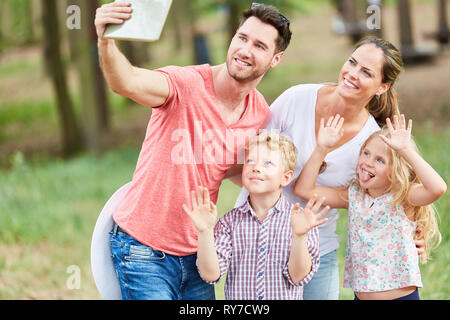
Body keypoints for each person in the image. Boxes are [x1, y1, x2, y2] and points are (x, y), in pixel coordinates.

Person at [95, 1, 292, 300]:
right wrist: (106, 41)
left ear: (275, 59)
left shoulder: (259, 115)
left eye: (259, 46)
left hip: (198, 254)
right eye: (242, 38)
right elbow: (127, 81)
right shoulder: (184, 84)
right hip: (144, 250)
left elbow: (238, 171)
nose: (245, 50)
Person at [233, 36, 425, 299]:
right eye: (352, 63)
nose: (352, 74)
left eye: (366, 72)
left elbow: (391, 195)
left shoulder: (371, 142)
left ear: (382, 87)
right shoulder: (297, 98)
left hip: (317, 248)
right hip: (258, 240)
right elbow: (250, 160)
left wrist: (407, 237)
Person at [294, 114, 446, 300]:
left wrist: (405, 150)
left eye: (380, 160)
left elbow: (438, 188)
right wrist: (322, 148)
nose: (368, 162)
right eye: (366, 153)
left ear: (395, 170)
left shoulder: (403, 196)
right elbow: (304, 189)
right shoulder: (355, 196)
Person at [183, 133, 328, 299]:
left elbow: (297, 277)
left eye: (268, 163)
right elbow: (211, 275)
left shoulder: (300, 221)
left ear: (285, 177)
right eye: (250, 161)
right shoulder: (229, 222)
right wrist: (205, 232)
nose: (256, 168)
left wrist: (299, 236)